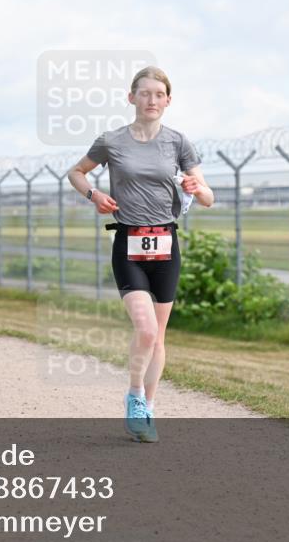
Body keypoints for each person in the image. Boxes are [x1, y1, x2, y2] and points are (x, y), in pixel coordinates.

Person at [68, 66, 213, 442]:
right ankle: (134, 395)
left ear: (168, 100)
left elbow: (208, 197)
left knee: (158, 337)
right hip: (129, 243)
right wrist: (94, 195)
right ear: (131, 97)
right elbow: (76, 172)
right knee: (145, 330)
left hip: (166, 244)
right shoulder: (111, 141)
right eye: (145, 93)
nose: (152, 100)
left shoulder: (178, 142)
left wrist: (197, 188)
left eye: (159, 94)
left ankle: (147, 408)